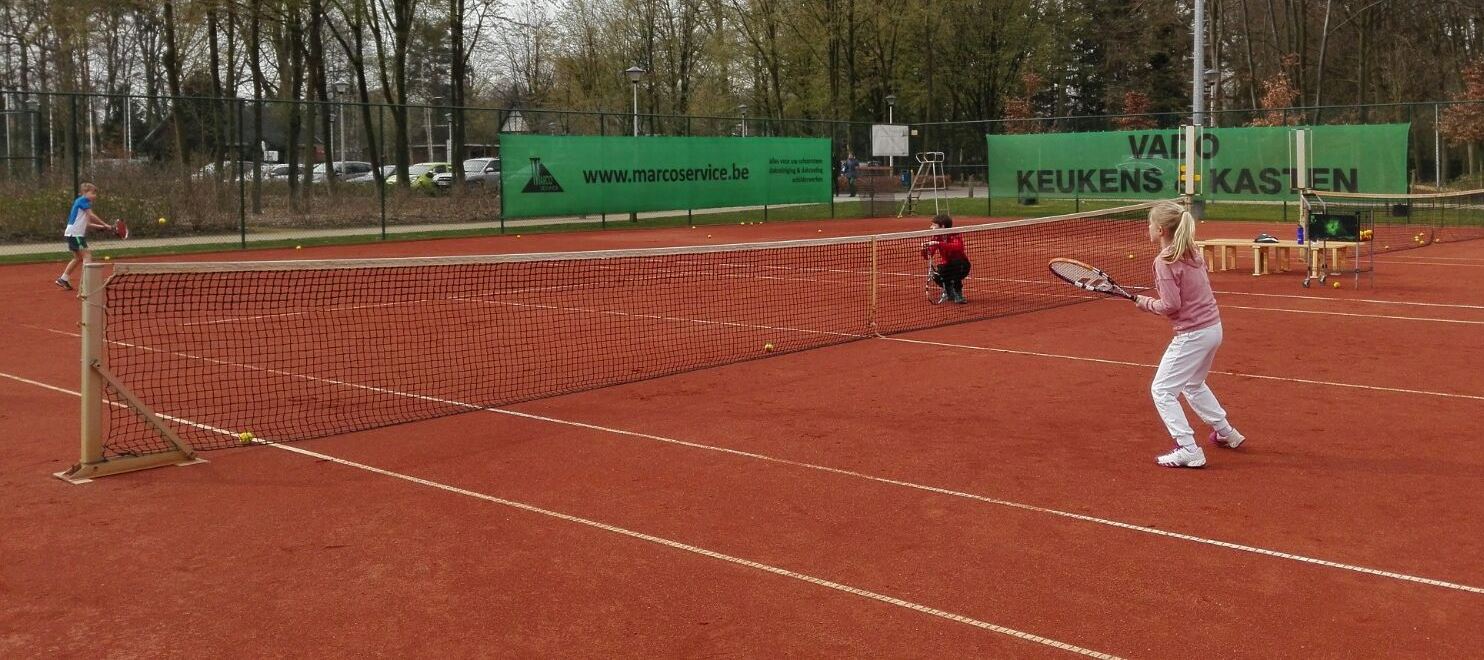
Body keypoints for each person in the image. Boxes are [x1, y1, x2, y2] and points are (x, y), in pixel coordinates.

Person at [1134, 200, 1245, 468]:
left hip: (1193, 334)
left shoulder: (1164, 261)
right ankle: (1226, 432)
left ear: (1161, 230)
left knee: (1162, 390)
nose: (1148, 228)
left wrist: (1146, 303)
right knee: (1193, 384)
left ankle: (1188, 448)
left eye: (1150, 224)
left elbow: (1171, 305)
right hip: (1213, 329)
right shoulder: (1192, 252)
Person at [55, 182, 114, 291]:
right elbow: (91, 215)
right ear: (84, 193)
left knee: (78, 257)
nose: (95, 196)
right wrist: (105, 224)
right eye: (92, 193)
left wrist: (104, 227)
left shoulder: (82, 203)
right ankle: (87, 283)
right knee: (87, 255)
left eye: (95, 193)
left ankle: (63, 279)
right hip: (75, 234)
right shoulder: (83, 201)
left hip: (72, 233)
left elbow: (88, 223)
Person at [922, 213, 970, 304]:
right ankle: (949, 293)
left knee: (955, 268)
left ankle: (958, 294)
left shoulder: (954, 234)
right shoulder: (936, 237)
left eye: (934, 225)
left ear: (943, 226)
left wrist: (938, 243)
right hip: (947, 265)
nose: (931, 227)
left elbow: (958, 247)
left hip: (962, 266)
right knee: (936, 276)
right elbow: (929, 255)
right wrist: (924, 250)